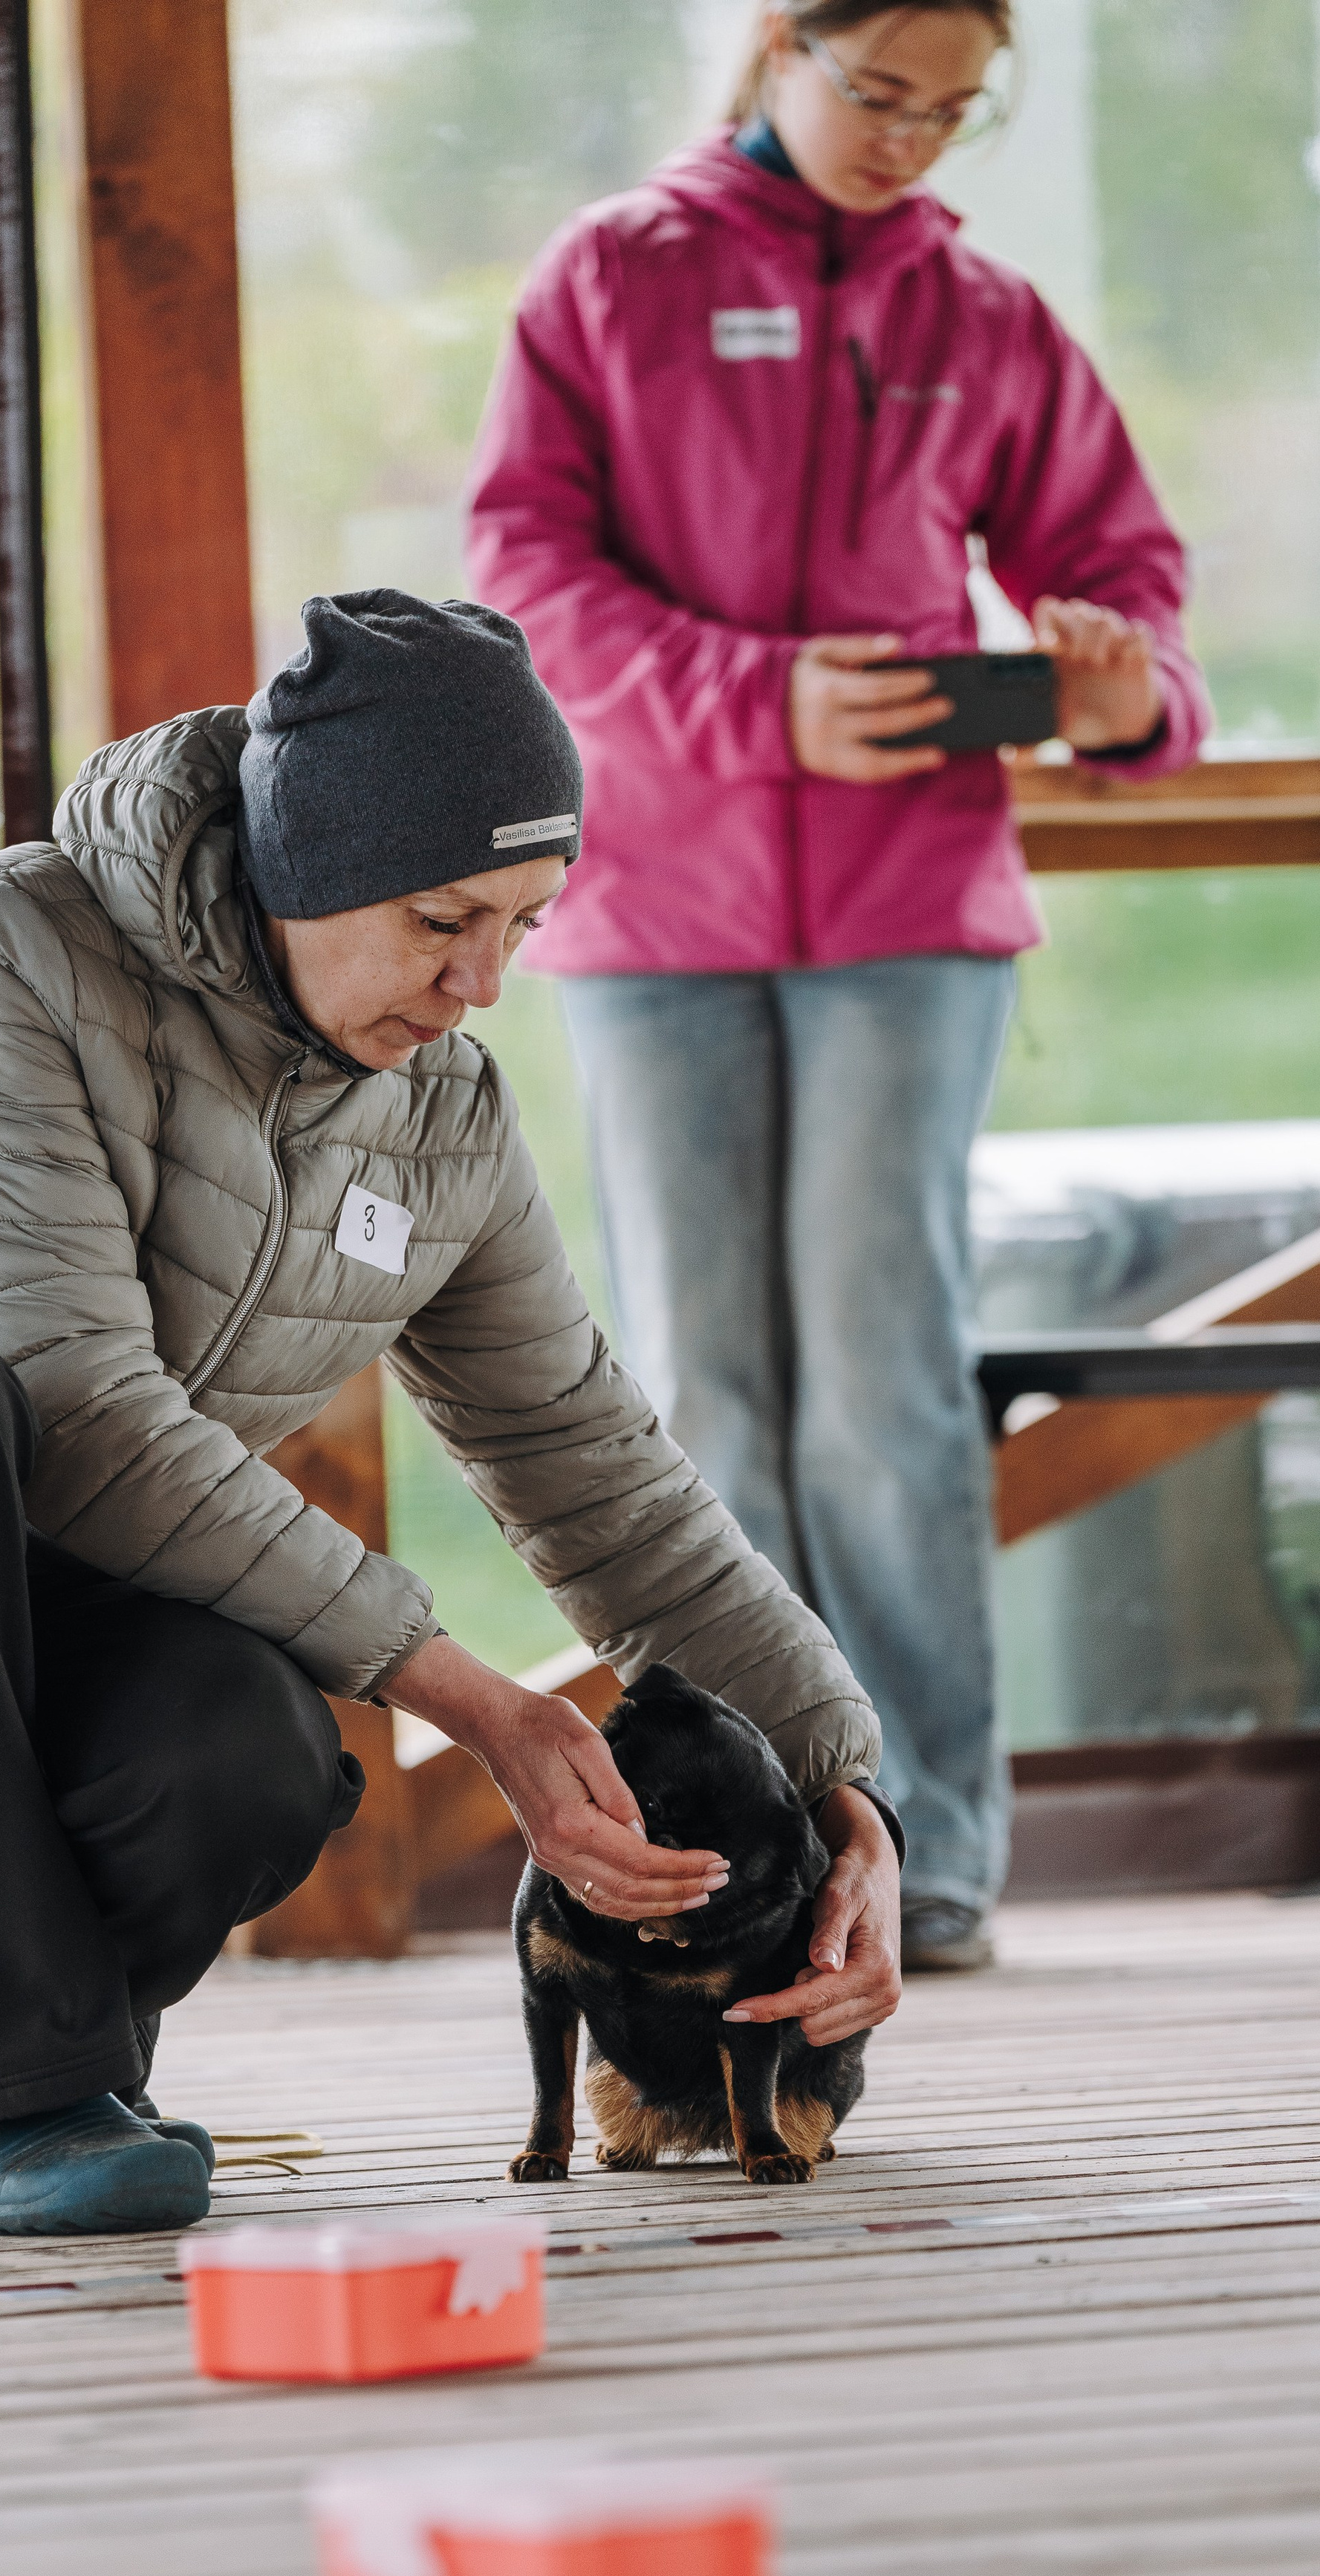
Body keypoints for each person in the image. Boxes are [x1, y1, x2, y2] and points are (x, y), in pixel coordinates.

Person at [0, 593, 903, 2238]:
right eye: (440, 916)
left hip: (16, 1645)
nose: (480, 984)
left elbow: (601, 1476)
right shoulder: (5, 957)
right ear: (295, 866)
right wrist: (470, 1697)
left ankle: (50, 2088)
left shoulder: (436, 1116)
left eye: (524, 923)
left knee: (247, 1745)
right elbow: (72, 1405)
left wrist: (844, 1790)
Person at [464, 0, 1210, 1972]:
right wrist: (764, 696)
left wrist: (1122, 687)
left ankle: (937, 1854)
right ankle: (735, 1845)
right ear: (782, 45)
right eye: (879, 91)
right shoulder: (614, 277)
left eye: (953, 111)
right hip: (653, 912)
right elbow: (527, 570)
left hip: (913, 915)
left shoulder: (985, 315)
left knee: (886, 1386)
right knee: (703, 1398)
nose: (910, 139)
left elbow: (1126, 578)